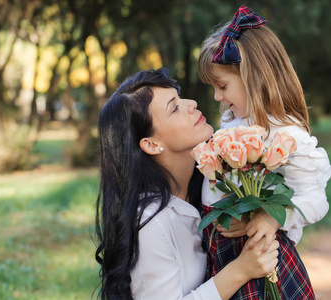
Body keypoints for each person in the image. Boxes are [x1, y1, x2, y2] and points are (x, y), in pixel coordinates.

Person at [95, 67, 280, 300]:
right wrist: (241, 270)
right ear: (151, 144)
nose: (191, 103)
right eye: (174, 108)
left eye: (180, 98)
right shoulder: (151, 223)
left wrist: (257, 219)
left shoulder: (208, 185)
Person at [197, 5, 331, 300]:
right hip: (226, 255)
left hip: (264, 262)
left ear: (253, 78)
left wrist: (274, 218)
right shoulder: (232, 121)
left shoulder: (287, 135)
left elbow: (316, 200)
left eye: (222, 86)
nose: (218, 97)